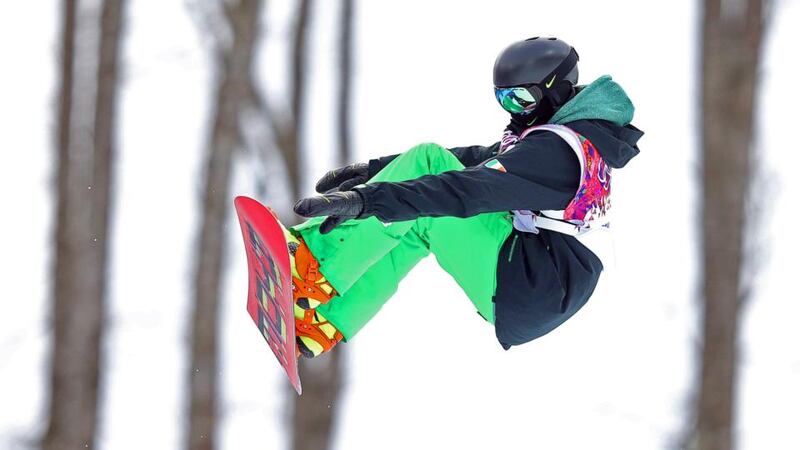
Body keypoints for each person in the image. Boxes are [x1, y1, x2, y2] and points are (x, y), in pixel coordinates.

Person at [284, 36, 643, 358]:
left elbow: (470, 188)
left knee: (427, 169)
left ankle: (309, 265)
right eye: (503, 97)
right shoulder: (565, 135)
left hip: (532, 281)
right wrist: (378, 170)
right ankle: (323, 321)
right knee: (419, 219)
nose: (513, 110)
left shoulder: (557, 152)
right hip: (541, 288)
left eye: (521, 98)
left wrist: (368, 199)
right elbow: (478, 159)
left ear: (555, 90)